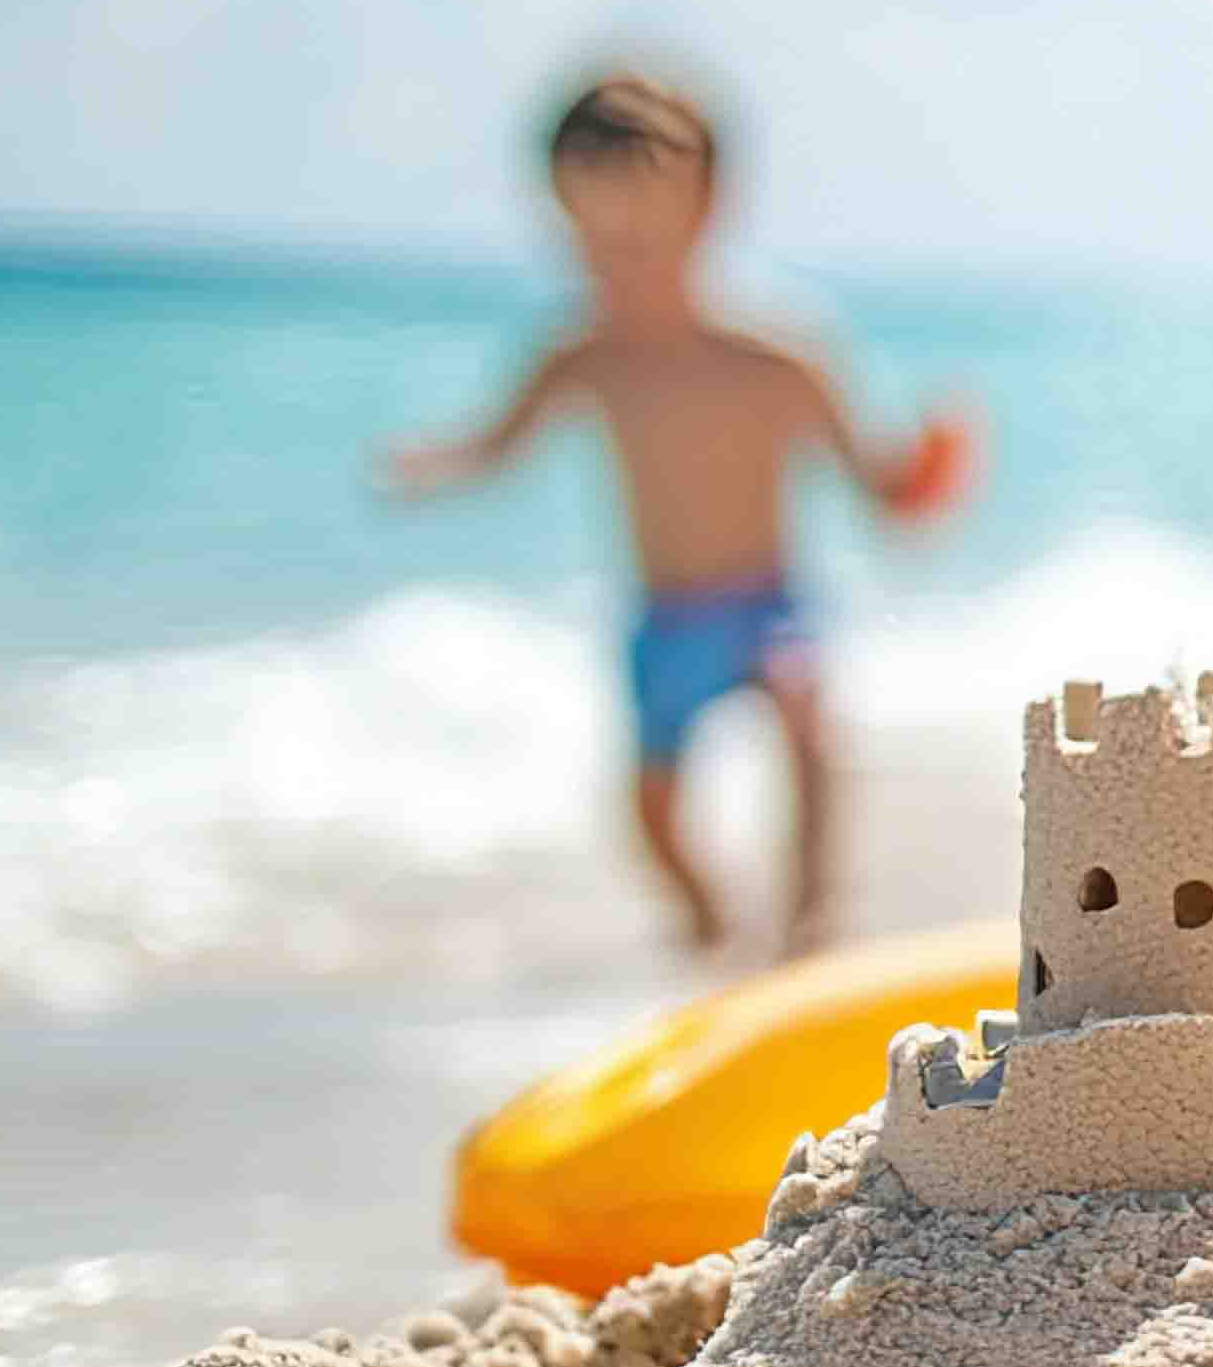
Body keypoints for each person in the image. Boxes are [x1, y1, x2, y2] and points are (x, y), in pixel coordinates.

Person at [381, 72, 940, 957]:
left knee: (803, 706)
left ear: (709, 206)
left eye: (642, 237)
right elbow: (502, 445)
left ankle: (809, 917)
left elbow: (874, 481)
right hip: (663, 619)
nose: (617, 266)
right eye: (594, 244)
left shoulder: (777, 352)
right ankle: (706, 917)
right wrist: (439, 464)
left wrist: (920, 480)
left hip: (767, 602)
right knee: (649, 810)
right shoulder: (584, 354)